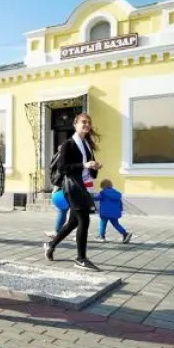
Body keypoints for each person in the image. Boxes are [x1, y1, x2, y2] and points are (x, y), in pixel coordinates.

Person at [44, 113, 102, 271]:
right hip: (72, 187)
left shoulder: (88, 145)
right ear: (75, 125)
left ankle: (51, 245)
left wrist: (94, 167)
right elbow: (63, 168)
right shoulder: (68, 144)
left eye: (88, 122)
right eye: (83, 122)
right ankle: (80, 258)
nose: (86, 125)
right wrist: (84, 165)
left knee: (73, 223)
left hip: (84, 187)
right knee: (84, 220)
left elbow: (91, 171)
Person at [95, 179, 132, 243]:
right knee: (116, 224)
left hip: (105, 212)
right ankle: (125, 234)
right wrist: (120, 210)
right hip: (114, 213)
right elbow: (120, 203)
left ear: (103, 186)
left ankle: (101, 236)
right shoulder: (116, 193)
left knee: (103, 223)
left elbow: (96, 198)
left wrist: (89, 195)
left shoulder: (103, 193)